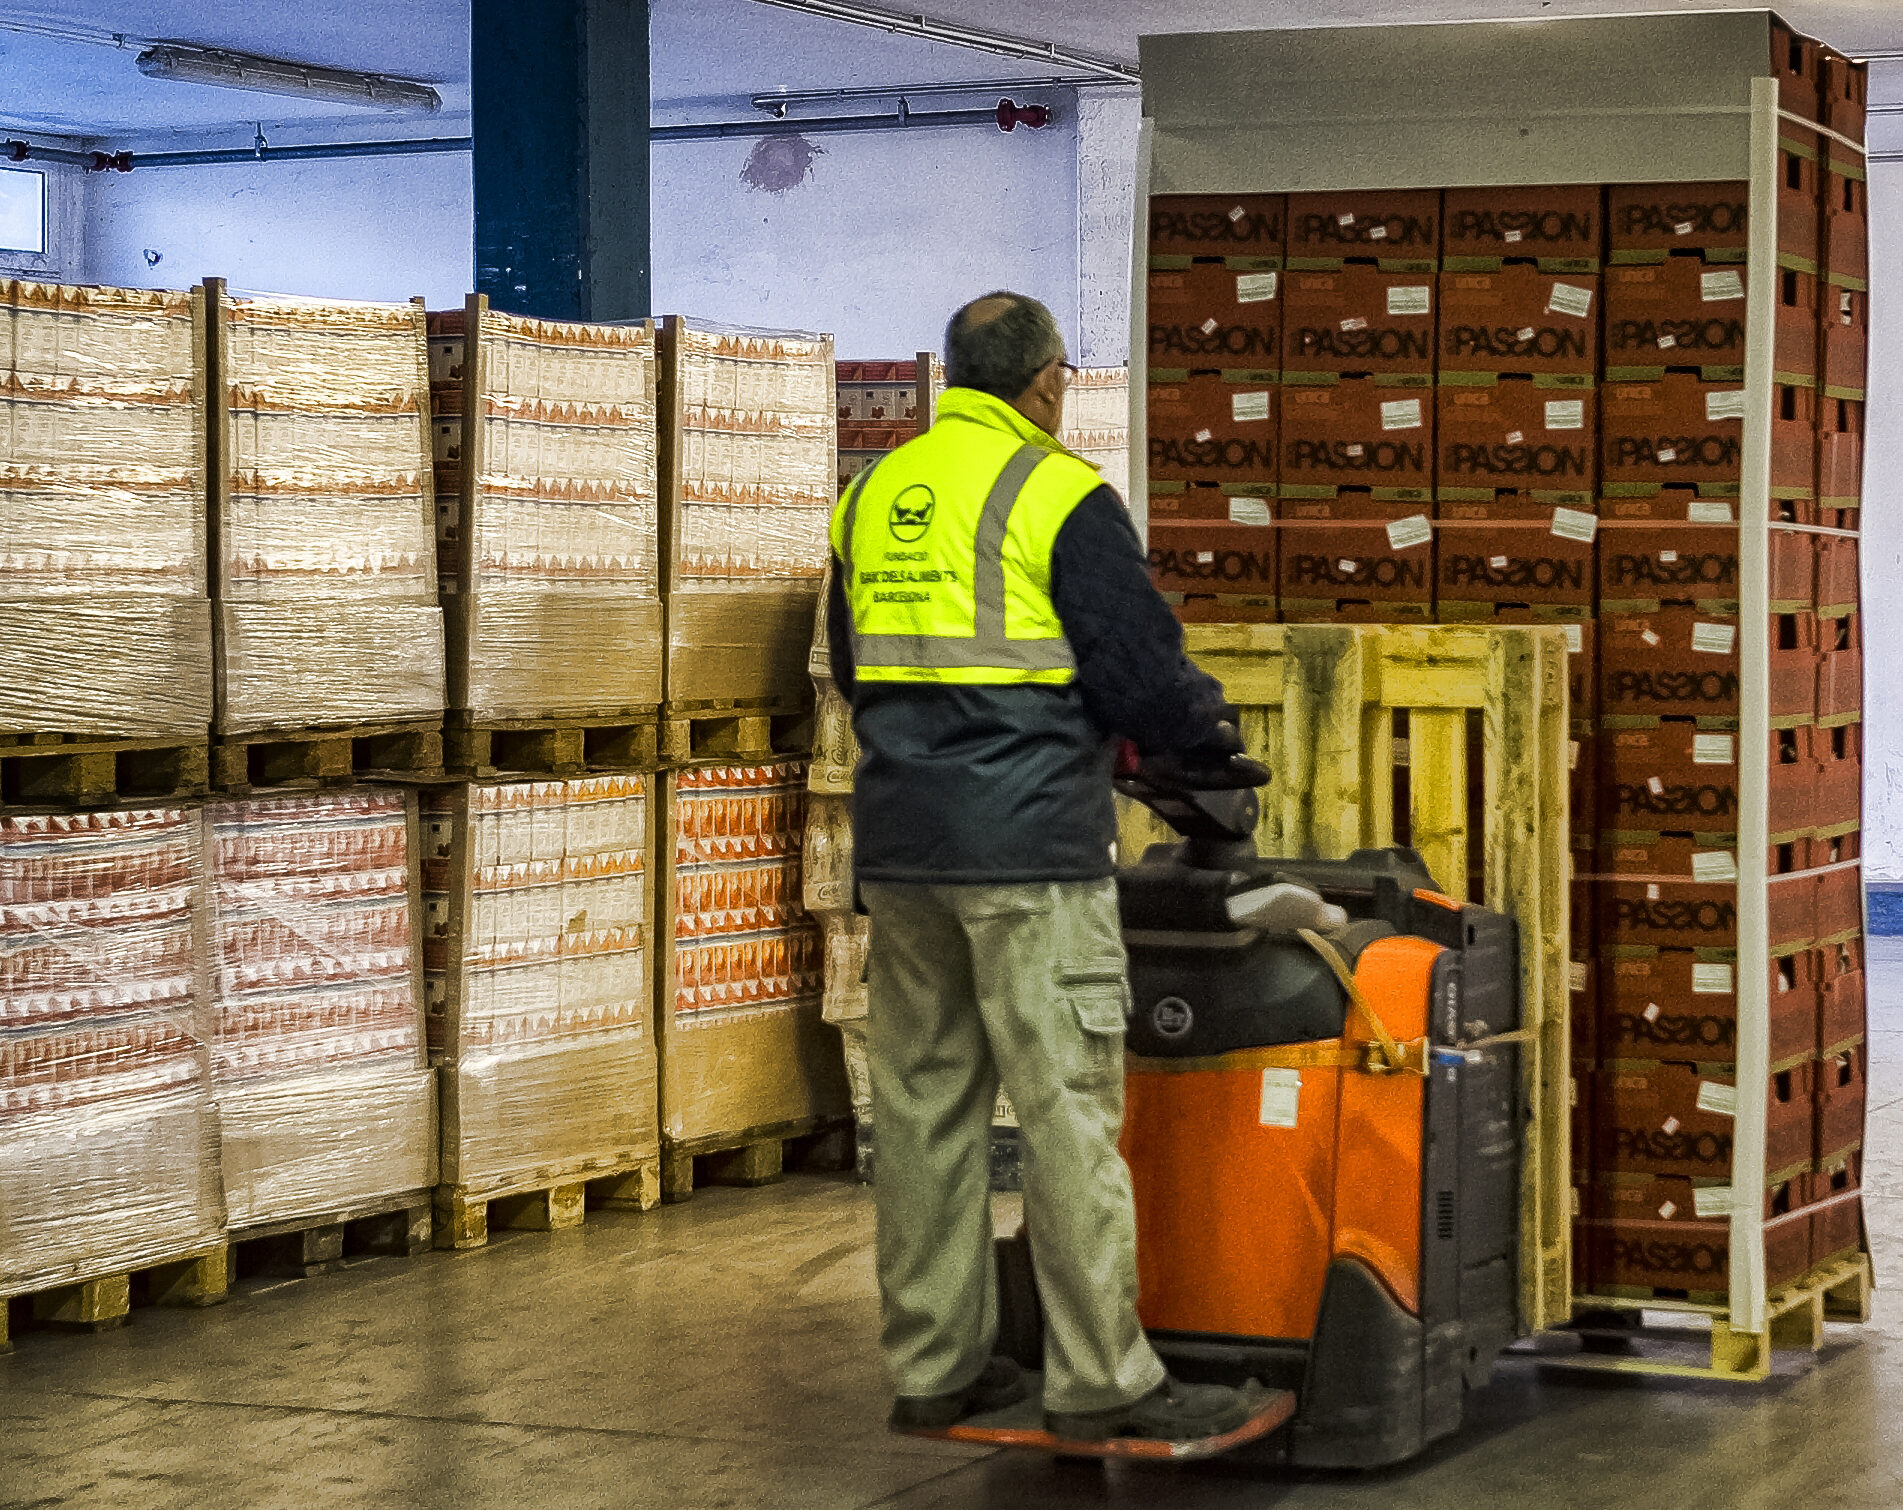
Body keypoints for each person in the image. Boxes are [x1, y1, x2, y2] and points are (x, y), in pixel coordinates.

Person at [826, 291, 1263, 1443]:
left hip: (904, 850)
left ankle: (935, 1366)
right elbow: (1137, 672)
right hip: (1028, 853)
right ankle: (1102, 1377)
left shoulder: (870, 495)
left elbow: (852, 666)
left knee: (924, 1112)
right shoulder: (1061, 493)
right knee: (1067, 1107)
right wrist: (1206, 742)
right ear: (1049, 383)